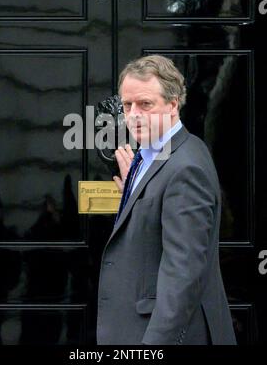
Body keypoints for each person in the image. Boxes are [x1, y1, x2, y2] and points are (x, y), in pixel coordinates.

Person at [96, 55, 237, 345]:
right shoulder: (152, 153)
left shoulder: (186, 166)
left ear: (172, 105)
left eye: (145, 104)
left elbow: (183, 273)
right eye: (127, 105)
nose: (133, 114)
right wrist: (133, 194)